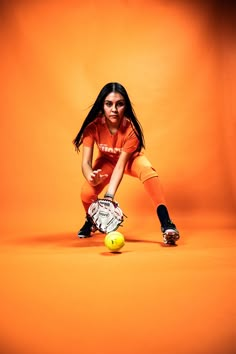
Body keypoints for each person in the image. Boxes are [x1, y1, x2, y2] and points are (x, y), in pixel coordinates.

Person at [73, 82, 180, 245]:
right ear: (102, 105)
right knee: (86, 192)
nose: (114, 109)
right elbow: (86, 162)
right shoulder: (92, 127)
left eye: (119, 104)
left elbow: (121, 165)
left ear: (126, 106)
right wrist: (90, 176)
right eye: (109, 104)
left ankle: (167, 223)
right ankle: (92, 220)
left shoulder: (131, 130)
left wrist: (109, 196)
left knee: (147, 171)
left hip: (130, 160)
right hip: (107, 162)